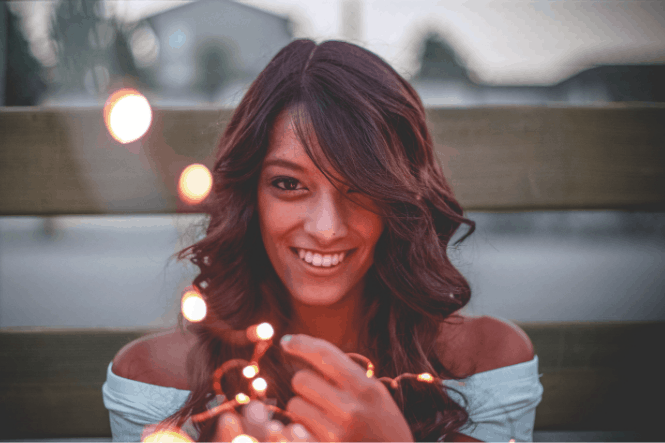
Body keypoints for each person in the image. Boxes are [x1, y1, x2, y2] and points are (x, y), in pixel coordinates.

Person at [102, 39, 543, 442]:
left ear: (401, 201)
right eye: (290, 185)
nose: (327, 228)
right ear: (249, 195)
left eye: (361, 187)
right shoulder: (158, 380)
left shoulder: (486, 360)